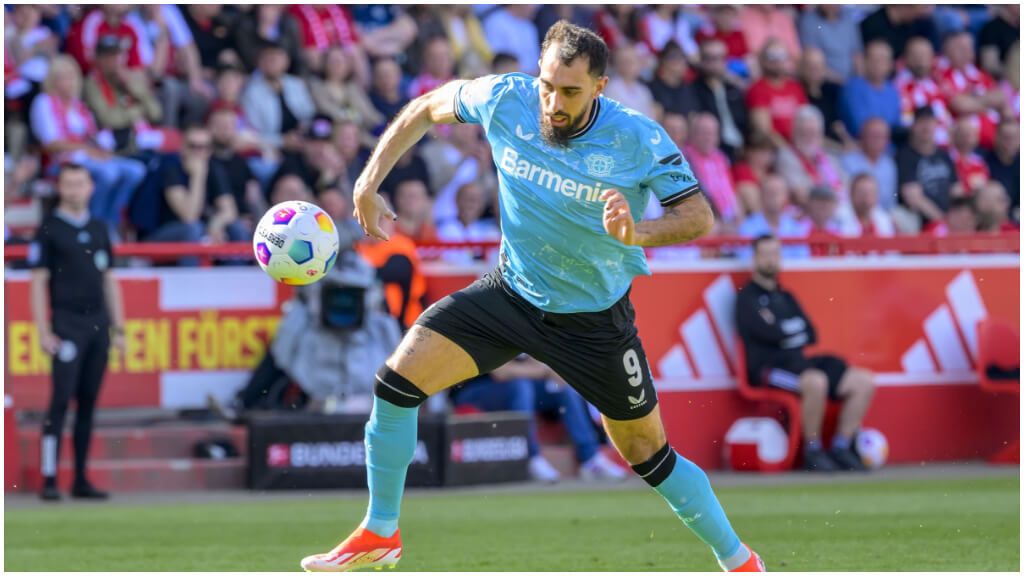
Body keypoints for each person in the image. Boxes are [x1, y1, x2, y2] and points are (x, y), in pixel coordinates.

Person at [301, 20, 764, 573]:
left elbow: (698, 215)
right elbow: (426, 106)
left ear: (600, 86)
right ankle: (381, 532)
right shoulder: (505, 97)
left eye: (569, 91)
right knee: (396, 384)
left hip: (594, 320)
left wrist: (638, 233)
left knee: (647, 454)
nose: (553, 101)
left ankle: (738, 560)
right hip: (511, 294)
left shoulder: (637, 137)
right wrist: (366, 184)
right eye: (547, 85)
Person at [735, 235, 876, 472]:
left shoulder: (787, 296)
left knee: (863, 381)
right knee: (816, 382)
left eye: (775, 254)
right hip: (769, 369)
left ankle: (842, 446)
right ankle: (813, 450)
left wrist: (785, 331)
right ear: (755, 258)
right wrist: (789, 331)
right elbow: (768, 334)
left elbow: (810, 333)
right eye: (766, 254)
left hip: (799, 363)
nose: (771, 260)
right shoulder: (747, 298)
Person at [29, 162, 125, 501]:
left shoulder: (100, 228)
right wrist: (43, 331)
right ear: (60, 188)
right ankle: (50, 477)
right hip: (67, 323)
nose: (74, 190)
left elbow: (109, 280)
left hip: (97, 325)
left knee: (88, 403)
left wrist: (120, 328)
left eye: (79, 183)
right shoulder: (50, 228)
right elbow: (38, 281)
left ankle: (81, 478)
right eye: (67, 184)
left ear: (90, 188)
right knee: (60, 400)